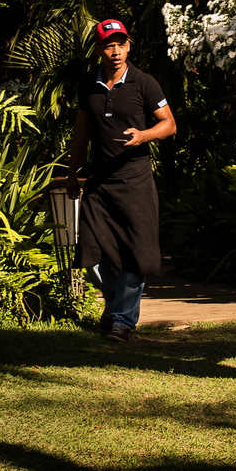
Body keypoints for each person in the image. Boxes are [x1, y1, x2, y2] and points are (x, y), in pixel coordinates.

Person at [66, 19, 177, 342]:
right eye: (108, 45)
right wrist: (73, 172)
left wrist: (144, 135)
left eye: (121, 43)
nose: (115, 51)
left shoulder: (144, 83)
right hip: (99, 181)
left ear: (129, 46)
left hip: (135, 180)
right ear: (98, 48)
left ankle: (122, 321)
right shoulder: (88, 84)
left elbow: (169, 124)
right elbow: (82, 130)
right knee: (92, 249)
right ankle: (116, 304)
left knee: (136, 251)